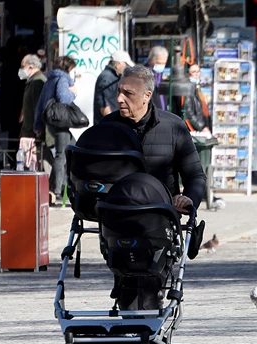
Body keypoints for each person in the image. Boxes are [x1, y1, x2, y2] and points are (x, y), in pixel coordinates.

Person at [86, 65, 206, 310]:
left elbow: (195, 176)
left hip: (159, 225)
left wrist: (188, 199)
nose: (119, 98)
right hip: (118, 225)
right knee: (127, 290)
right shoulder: (107, 129)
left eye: (128, 93)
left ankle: (148, 341)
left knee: (151, 287)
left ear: (147, 96)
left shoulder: (172, 127)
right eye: (119, 91)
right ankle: (131, 333)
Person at [34, 56, 78, 205]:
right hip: (60, 122)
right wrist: (73, 92)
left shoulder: (50, 79)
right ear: (68, 68)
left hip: (50, 122)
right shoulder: (63, 79)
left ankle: (61, 186)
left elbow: (40, 104)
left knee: (72, 150)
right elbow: (64, 98)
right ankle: (55, 190)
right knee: (62, 155)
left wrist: (38, 125)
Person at [0, 36, 26, 169]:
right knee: (15, 134)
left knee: (13, 134)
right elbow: (18, 85)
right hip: (14, 104)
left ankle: (13, 161)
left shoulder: (7, 62)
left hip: (7, 103)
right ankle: (15, 162)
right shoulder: (14, 64)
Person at [19, 54, 47, 170]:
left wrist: (37, 129)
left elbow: (38, 108)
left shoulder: (37, 82)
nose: (21, 69)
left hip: (33, 134)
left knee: (34, 165)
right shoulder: (33, 81)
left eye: (22, 66)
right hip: (30, 132)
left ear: (31, 67)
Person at [93, 50, 134, 125]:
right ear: (118, 64)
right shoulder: (107, 78)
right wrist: (114, 124)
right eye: (126, 65)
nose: (127, 68)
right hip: (107, 127)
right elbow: (103, 106)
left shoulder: (113, 77)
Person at [177, 64, 211, 134]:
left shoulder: (197, 88)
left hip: (202, 127)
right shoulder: (188, 89)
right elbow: (189, 113)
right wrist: (201, 127)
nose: (197, 74)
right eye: (194, 72)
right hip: (195, 129)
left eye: (198, 71)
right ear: (189, 74)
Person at [145, 46, 169, 111]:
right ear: (150, 60)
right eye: (158, 63)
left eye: (163, 63)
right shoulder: (144, 75)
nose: (161, 66)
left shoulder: (160, 75)